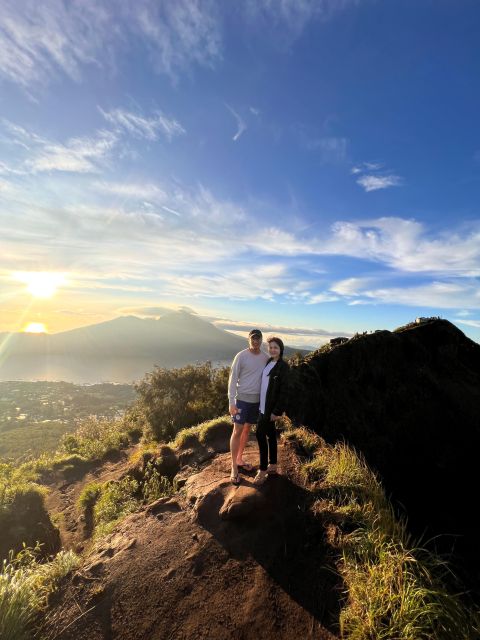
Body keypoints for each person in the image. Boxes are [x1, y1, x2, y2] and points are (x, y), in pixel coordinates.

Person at [228, 329, 269, 485]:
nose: (256, 341)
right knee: (237, 430)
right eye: (253, 338)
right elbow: (232, 380)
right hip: (241, 401)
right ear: (249, 339)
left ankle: (239, 459)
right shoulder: (241, 356)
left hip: (256, 402)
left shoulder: (265, 358)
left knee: (246, 430)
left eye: (258, 339)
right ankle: (234, 467)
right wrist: (231, 401)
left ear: (261, 340)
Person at [253, 336, 289, 485]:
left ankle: (262, 470)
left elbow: (284, 391)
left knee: (260, 434)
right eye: (271, 347)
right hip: (263, 406)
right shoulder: (269, 362)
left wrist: (277, 411)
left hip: (270, 409)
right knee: (271, 435)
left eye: (276, 347)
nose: (273, 350)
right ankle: (273, 465)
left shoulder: (283, 367)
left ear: (281, 350)